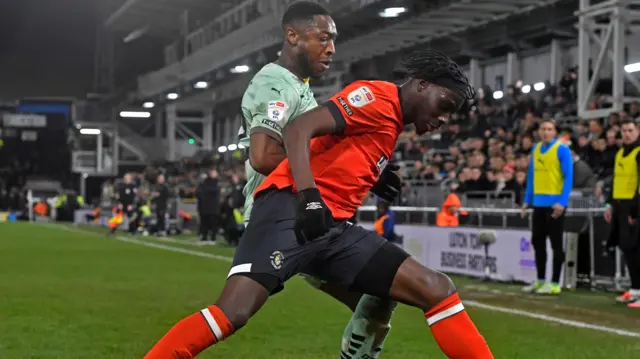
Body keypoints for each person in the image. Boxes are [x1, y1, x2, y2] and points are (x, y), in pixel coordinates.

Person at [143, 49, 492, 359]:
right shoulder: (375, 97)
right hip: (289, 211)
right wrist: (309, 198)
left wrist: (375, 173)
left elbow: (339, 154)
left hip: (332, 229)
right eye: (444, 105)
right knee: (234, 311)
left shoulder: (391, 124)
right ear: (420, 84)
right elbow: (298, 128)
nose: (445, 118)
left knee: (435, 288)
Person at [235, 2, 395, 357]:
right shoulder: (276, 84)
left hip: (298, 213)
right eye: (323, 38)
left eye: (334, 40)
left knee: (378, 297)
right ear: (292, 36)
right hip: (284, 215)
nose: (332, 48)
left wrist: (365, 177)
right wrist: (313, 189)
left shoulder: (298, 87)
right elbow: (262, 157)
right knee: (233, 313)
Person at [521, 120, 573, 295]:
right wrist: (526, 200)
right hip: (538, 204)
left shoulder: (562, 149)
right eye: (543, 129)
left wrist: (562, 202)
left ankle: (555, 283)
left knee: (556, 245)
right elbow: (531, 177)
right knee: (538, 242)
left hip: (554, 206)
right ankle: (541, 280)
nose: (546, 132)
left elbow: (568, 177)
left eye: (549, 129)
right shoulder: (535, 149)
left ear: (554, 132)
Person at [604, 120, 640, 308]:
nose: (627, 134)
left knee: (637, 249)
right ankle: (635, 289)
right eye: (624, 131)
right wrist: (609, 204)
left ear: (637, 132)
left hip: (634, 206)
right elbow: (616, 180)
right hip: (620, 205)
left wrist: (635, 210)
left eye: (630, 131)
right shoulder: (620, 154)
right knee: (626, 248)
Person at [195, 169, 221, 244]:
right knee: (204, 222)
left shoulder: (216, 182)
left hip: (213, 206)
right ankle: (204, 237)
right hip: (205, 206)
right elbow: (199, 192)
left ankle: (213, 237)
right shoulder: (205, 182)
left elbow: (214, 191)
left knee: (213, 222)